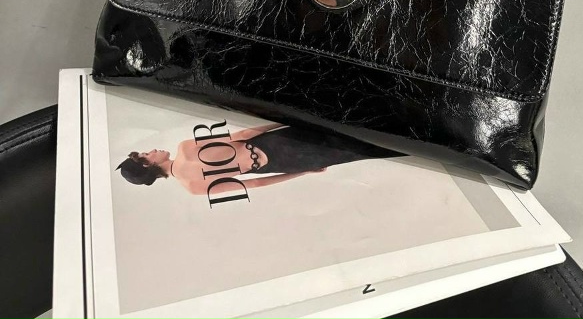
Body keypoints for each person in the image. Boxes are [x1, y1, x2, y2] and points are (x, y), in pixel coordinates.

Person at [116, 122, 403, 196]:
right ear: (147, 164)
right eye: (145, 154)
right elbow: (242, 135)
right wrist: (284, 119)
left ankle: (408, 145)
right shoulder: (185, 149)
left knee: (356, 153)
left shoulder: (192, 187)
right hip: (277, 142)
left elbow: (255, 185)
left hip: (281, 163)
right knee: (347, 130)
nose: (151, 150)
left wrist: (301, 172)